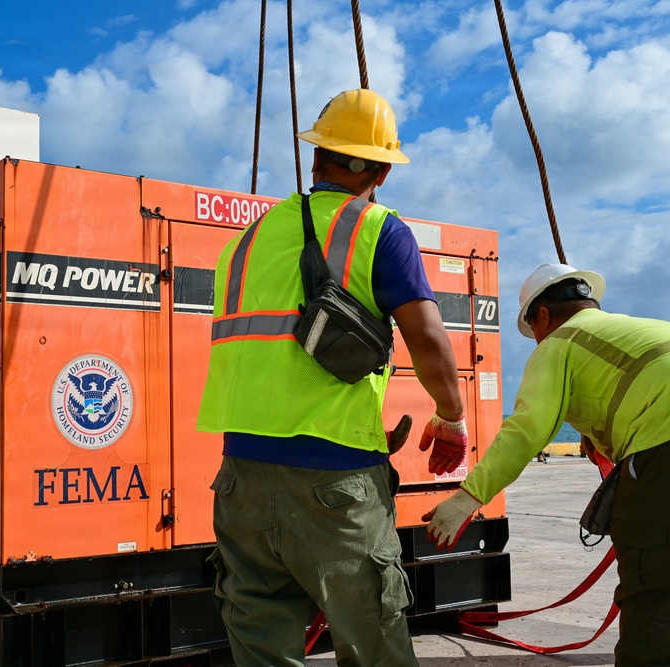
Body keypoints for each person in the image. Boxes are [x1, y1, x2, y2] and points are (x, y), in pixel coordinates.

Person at [197, 88, 468, 667]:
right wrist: (451, 416)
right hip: (336, 479)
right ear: (382, 172)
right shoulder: (378, 230)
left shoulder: (246, 241)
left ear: (315, 159)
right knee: (374, 643)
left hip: (240, 476)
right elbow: (426, 338)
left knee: (260, 643)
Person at [423, 262, 670, 667]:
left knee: (654, 593)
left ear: (542, 315)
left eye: (534, 331)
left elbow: (525, 430)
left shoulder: (559, 342)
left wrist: (467, 498)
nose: (537, 341)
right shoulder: (638, 329)